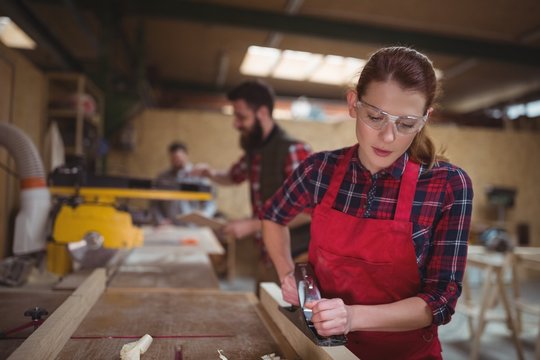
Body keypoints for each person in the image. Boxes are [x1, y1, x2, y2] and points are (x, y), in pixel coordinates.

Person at [261, 47, 473, 359]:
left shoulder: (448, 186)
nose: (388, 137)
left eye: (406, 124)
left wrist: (352, 317)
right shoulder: (318, 170)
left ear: (425, 119)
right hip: (325, 351)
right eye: (375, 117)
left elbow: (441, 299)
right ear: (353, 105)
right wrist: (286, 271)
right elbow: (273, 217)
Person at [192, 80, 312, 285]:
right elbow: (232, 176)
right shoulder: (255, 151)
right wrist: (208, 172)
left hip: (295, 258)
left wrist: (253, 224)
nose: (236, 124)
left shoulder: (293, 150)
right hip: (267, 254)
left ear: (262, 113)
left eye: (241, 116)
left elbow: (307, 212)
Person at [151, 141, 217, 225]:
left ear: (186, 156)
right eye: (174, 158)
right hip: (169, 227)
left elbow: (210, 202)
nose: (177, 161)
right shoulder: (163, 178)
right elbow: (154, 203)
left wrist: (204, 215)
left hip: (191, 226)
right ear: (170, 157)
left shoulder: (198, 176)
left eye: (179, 158)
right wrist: (160, 220)